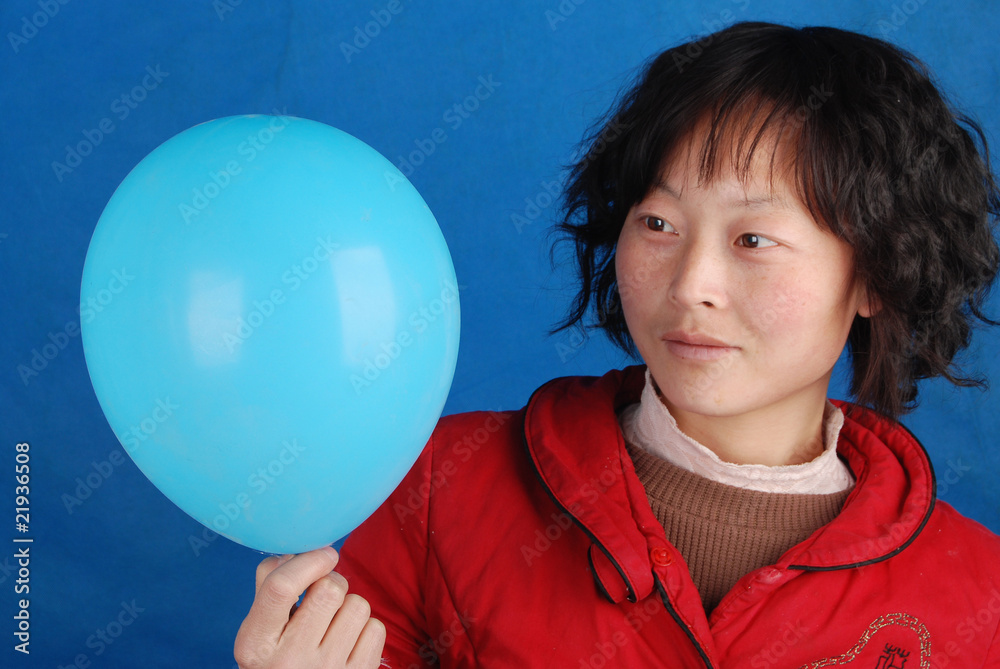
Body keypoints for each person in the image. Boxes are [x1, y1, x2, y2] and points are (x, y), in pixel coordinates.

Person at [233, 21, 1000, 668]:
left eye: (753, 239)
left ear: (877, 274)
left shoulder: (979, 595)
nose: (691, 284)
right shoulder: (439, 491)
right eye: (658, 224)